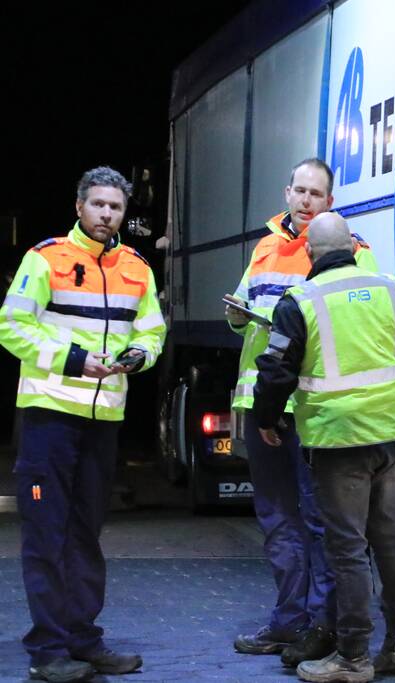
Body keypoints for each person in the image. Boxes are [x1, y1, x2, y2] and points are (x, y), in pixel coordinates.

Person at [253, 212, 395, 683]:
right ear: (355, 247)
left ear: (312, 254)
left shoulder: (301, 300)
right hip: (392, 437)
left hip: (339, 441)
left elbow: (276, 370)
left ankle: (353, 655)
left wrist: (267, 418)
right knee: (391, 538)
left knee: (348, 547)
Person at [0, 166, 166, 683]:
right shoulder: (45, 259)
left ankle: (82, 640)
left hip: (102, 423)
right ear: (79, 207)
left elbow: (153, 327)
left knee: (86, 536)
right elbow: (11, 326)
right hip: (49, 418)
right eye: (97, 204)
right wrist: (72, 360)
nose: (106, 214)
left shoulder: (137, 266)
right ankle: (48, 649)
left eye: (114, 207)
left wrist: (139, 354)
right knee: (47, 536)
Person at [227, 158, 379, 667]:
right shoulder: (265, 247)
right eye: (300, 191)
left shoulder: (354, 254)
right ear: (287, 191)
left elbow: (367, 319)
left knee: (319, 522)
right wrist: (235, 316)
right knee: (277, 520)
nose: (307, 200)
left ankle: (322, 625)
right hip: (261, 400)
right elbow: (246, 316)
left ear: (330, 202)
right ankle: (288, 621)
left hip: (314, 408)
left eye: (317, 194)